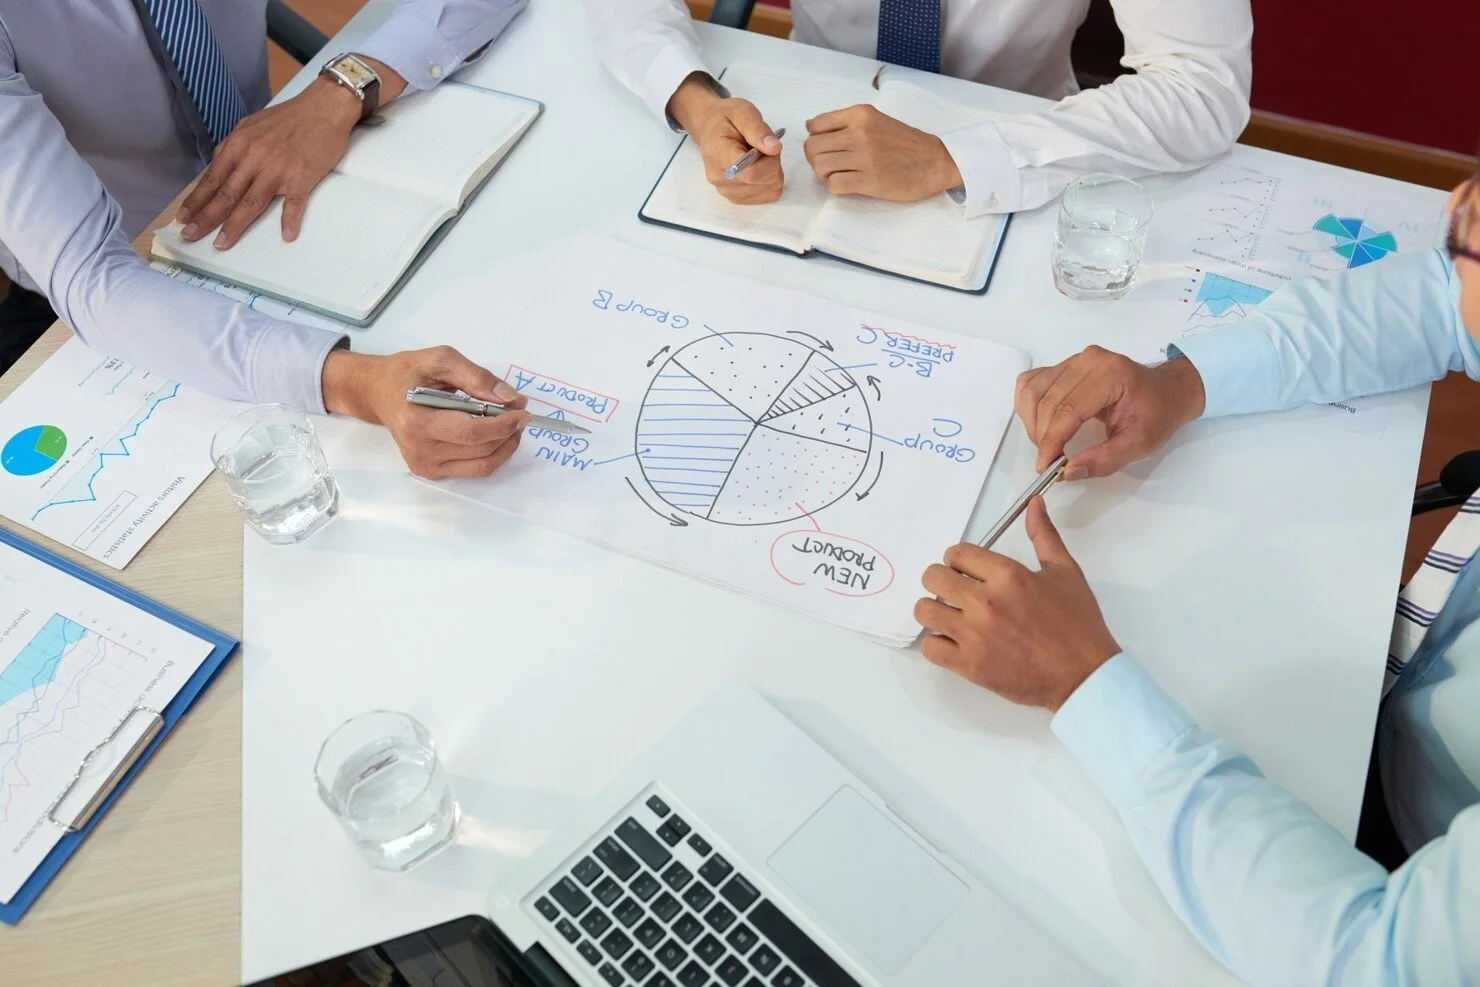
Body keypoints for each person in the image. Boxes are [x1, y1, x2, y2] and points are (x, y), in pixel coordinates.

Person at [912, 176, 1480, 983]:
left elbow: (1374, 959)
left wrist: (1081, 682)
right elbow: (1432, 301)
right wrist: (1180, 385)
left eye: (1475, 226)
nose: (1456, 200)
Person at [0, 1, 529, 479]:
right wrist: (357, 383)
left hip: (297, 184)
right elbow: (92, 278)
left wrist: (341, 90)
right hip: (120, 283)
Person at [587, 0, 1252, 213]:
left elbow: (1205, 86)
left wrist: (950, 156)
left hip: (1032, 151)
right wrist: (692, 97)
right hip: (797, 134)